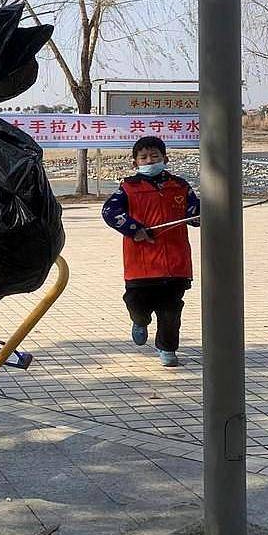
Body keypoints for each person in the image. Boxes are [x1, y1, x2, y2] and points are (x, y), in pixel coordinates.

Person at [102, 135, 200, 368]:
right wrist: (133, 228)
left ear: (165, 158)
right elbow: (109, 211)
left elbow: (194, 213)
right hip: (141, 265)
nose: (149, 160)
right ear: (135, 163)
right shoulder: (128, 188)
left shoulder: (180, 186)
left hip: (175, 263)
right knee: (138, 304)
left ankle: (167, 349)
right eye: (143, 157)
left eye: (154, 156)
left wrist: (207, 213)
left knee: (171, 311)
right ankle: (140, 320)